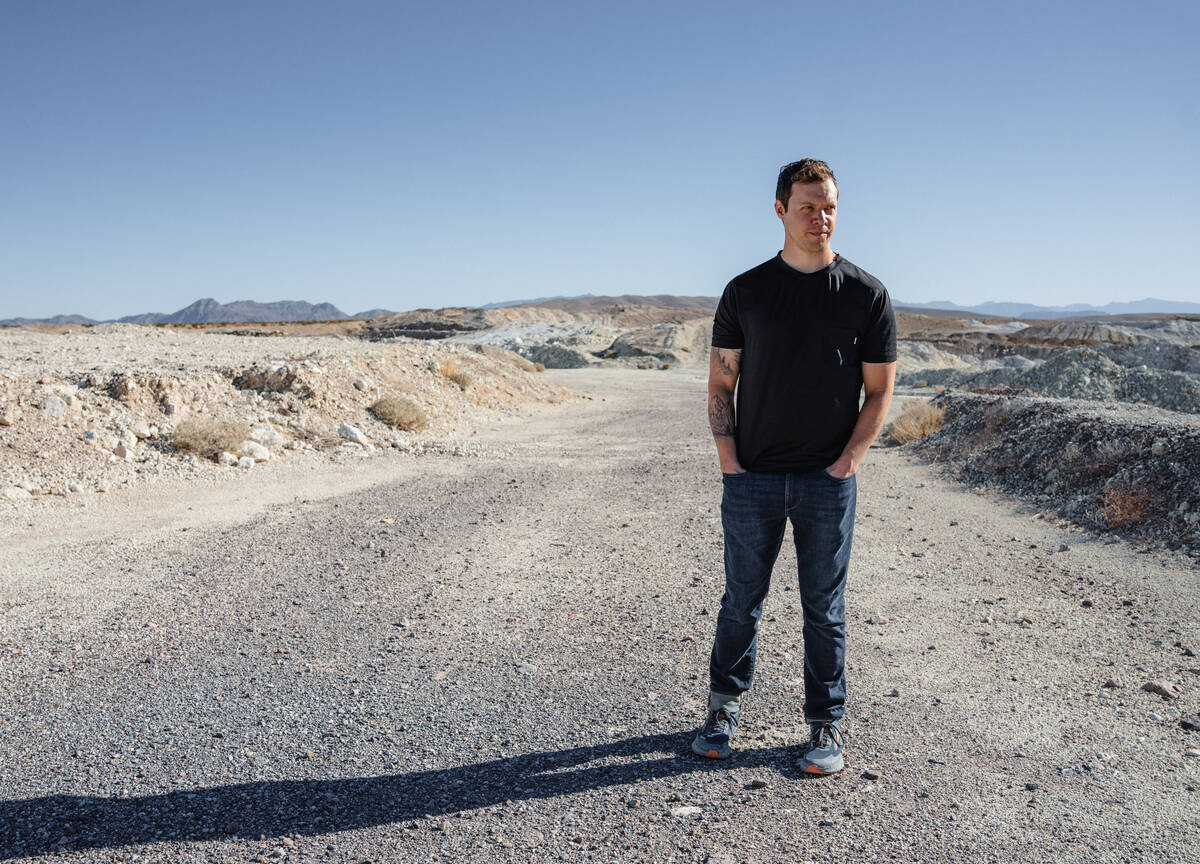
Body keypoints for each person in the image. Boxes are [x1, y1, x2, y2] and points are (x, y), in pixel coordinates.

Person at [692, 158, 897, 774]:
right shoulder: (746, 292)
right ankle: (723, 709)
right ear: (780, 209)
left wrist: (847, 464)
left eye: (829, 205)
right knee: (740, 601)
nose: (820, 217)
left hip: (825, 483)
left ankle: (825, 726)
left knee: (823, 607)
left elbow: (881, 391)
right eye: (807, 206)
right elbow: (720, 385)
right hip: (752, 478)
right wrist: (731, 464)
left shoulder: (866, 294)